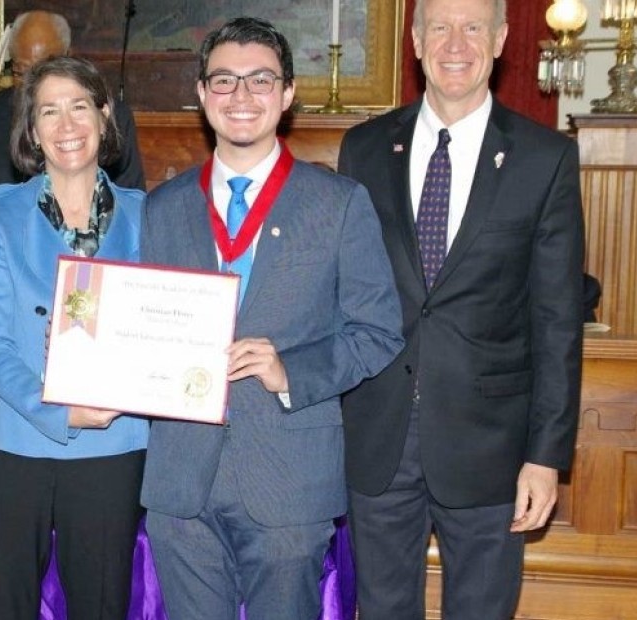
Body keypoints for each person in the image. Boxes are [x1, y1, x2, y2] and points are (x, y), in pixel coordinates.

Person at [139, 17, 404, 620]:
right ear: (202, 95)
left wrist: (293, 371)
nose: (241, 96)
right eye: (224, 80)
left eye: (260, 80)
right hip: (182, 484)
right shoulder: (163, 208)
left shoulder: (337, 203)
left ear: (287, 95)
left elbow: (379, 330)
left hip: (289, 481)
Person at [337, 0, 585, 617]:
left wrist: (546, 456)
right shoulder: (364, 149)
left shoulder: (543, 158)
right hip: (379, 436)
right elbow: (343, 293)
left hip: (491, 449)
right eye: (439, 27)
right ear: (416, 43)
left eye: (473, 27)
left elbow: (556, 322)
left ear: (500, 40)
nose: (456, 43)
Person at [0, 56, 148, 620]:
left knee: (101, 603)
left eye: (79, 107)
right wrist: (57, 409)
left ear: (104, 116)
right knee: (9, 604)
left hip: (112, 444)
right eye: (49, 111)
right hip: (13, 437)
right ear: (33, 131)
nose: (67, 125)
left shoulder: (153, 216)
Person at [0, 10, 145, 205]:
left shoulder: (110, 116)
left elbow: (133, 204)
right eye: (21, 72)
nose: (33, 85)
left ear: (68, 57)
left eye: (44, 71)